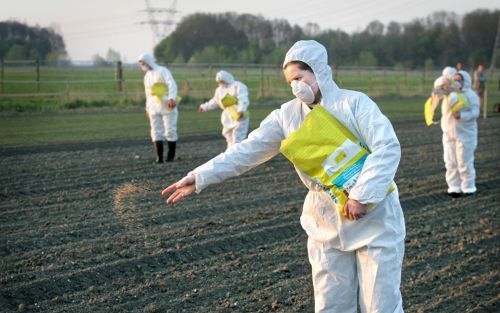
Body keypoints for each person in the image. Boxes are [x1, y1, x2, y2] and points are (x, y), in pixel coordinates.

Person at [162, 40, 406, 312]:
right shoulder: (287, 116)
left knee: (380, 305)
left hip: (374, 219)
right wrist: (200, 176)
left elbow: (386, 147)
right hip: (325, 221)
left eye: (300, 77)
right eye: (290, 81)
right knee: (331, 304)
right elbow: (247, 150)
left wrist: (361, 196)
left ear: (319, 71)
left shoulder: (355, 103)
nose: (295, 86)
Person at [441, 70, 480, 197]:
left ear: (466, 81)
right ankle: (454, 187)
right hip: (448, 134)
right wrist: (444, 84)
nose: (457, 82)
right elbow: (436, 88)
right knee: (450, 162)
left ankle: (468, 187)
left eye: (460, 79)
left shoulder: (471, 95)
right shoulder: (448, 93)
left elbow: (475, 112)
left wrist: (461, 115)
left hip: (466, 134)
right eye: (455, 79)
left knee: (464, 162)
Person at [138, 53, 178, 163]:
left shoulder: (162, 71)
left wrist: (171, 98)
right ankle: (159, 157)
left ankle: (171, 157)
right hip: (153, 107)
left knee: (170, 130)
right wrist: (147, 109)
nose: (141, 65)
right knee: (155, 131)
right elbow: (147, 94)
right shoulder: (147, 76)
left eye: (142, 63)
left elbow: (171, 84)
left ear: (147, 61)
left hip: (166, 105)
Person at [198, 70, 250, 148]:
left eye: (221, 80)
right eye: (219, 81)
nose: (220, 82)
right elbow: (215, 101)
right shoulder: (219, 90)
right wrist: (204, 107)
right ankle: (230, 156)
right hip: (227, 116)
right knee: (228, 136)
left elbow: (243, 99)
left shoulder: (238, 86)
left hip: (238, 115)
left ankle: (237, 157)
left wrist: (241, 110)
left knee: (238, 138)